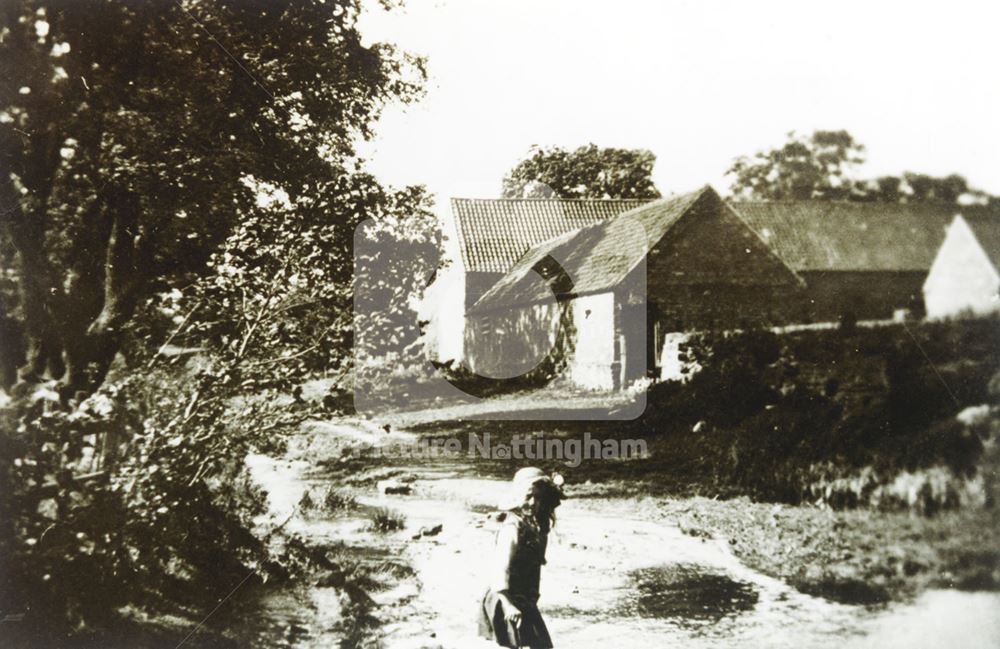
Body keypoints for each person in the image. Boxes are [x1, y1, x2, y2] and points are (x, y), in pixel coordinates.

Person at [479, 467, 564, 649]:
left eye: (539, 497)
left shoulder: (535, 525)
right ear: (518, 497)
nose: (533, 503)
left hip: (524, 599)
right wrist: (508, 604)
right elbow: (501, 567)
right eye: (528, 497)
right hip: (507, 598)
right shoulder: (512, 527)